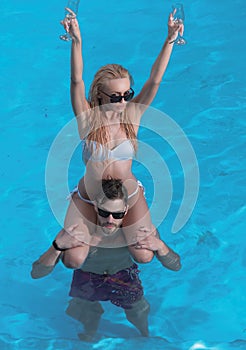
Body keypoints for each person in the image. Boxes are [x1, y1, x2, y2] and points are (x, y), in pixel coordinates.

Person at [59, 7, 185, 262]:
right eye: (115, 97)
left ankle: (128, 232)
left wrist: (170, 39)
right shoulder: (88, 120)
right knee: (73, 259)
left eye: (127, 94)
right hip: (89, 195)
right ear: (99, 96)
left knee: (144, 256)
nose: (123, 101)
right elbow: (76, 81)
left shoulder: (132, 117)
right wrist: (76, 41)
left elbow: (154, 81)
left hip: (127, 195)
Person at [31, 178, 181, 341]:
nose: (110, 220)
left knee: (138, 311)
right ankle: (89, 339)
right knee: (88, 319)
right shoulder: (77, 233)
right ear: (95, 207)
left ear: (126, 210)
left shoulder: (139, 232)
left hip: (124, 275)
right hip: (87, 277)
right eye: (104, 212)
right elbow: (36, 273)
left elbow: (176, 266)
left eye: (117, 214)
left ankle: (145, 336)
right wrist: (57, 246)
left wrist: (160, 246)